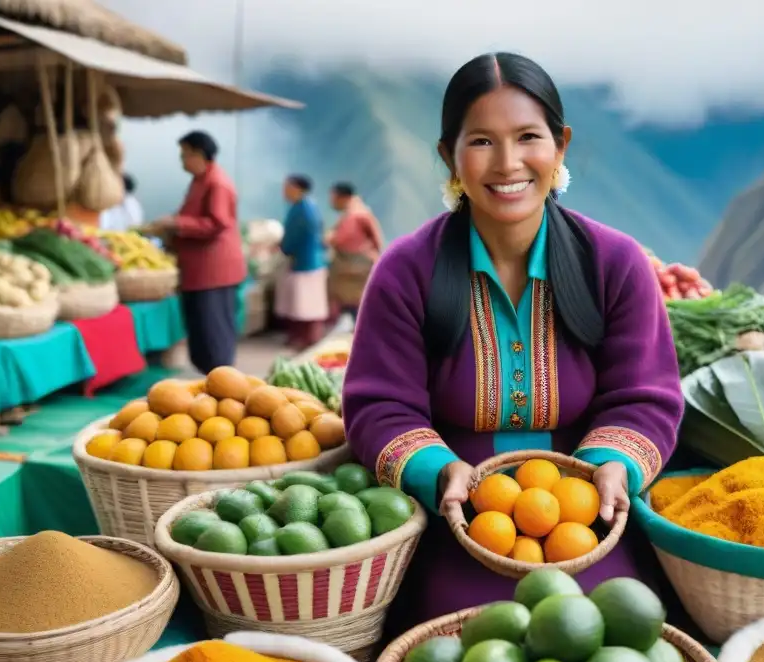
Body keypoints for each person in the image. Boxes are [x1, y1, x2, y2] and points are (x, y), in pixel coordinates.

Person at [341, 53, 683, 627]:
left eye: (528, 137)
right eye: (481, 142)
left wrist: (609, 468)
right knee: (459, 648)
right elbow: (380, 404)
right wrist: (439, 473)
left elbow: (645, 396)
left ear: (561, 145)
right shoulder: (405, 270)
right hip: (456, 517)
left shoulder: (616, 263)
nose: (507, 164)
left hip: (587, 519)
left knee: (614, 631)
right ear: (448, 155)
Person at [145, 131, 246, 374]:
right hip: (198, 270)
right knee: (201, 330)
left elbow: (216, 223)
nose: (182, 161)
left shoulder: (217, 183)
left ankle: (222, 382)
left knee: (213, 331)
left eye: (185, 155)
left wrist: (175, 223)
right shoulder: (200, 180)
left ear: (199, 154)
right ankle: (209, 378)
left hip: (213, 271)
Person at [275, 174, 328, 350]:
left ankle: (307, 338)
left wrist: (283, 248)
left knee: (305, 303)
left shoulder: (302, 209)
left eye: (286, 187)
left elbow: (294, 236)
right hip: (308, 260)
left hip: (306, 262)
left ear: (296, 188)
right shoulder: (307, 206)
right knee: (303, 302)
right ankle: (302, 337)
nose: (283, 191)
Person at [326, 182, 383, 322]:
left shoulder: (354, 215)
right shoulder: (358, 211)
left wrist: (329, 238)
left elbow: (340, 239)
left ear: (342, 197)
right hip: (356, 265)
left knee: (355, 305)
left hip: (354, 267)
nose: (331, 202)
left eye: (333, 198)